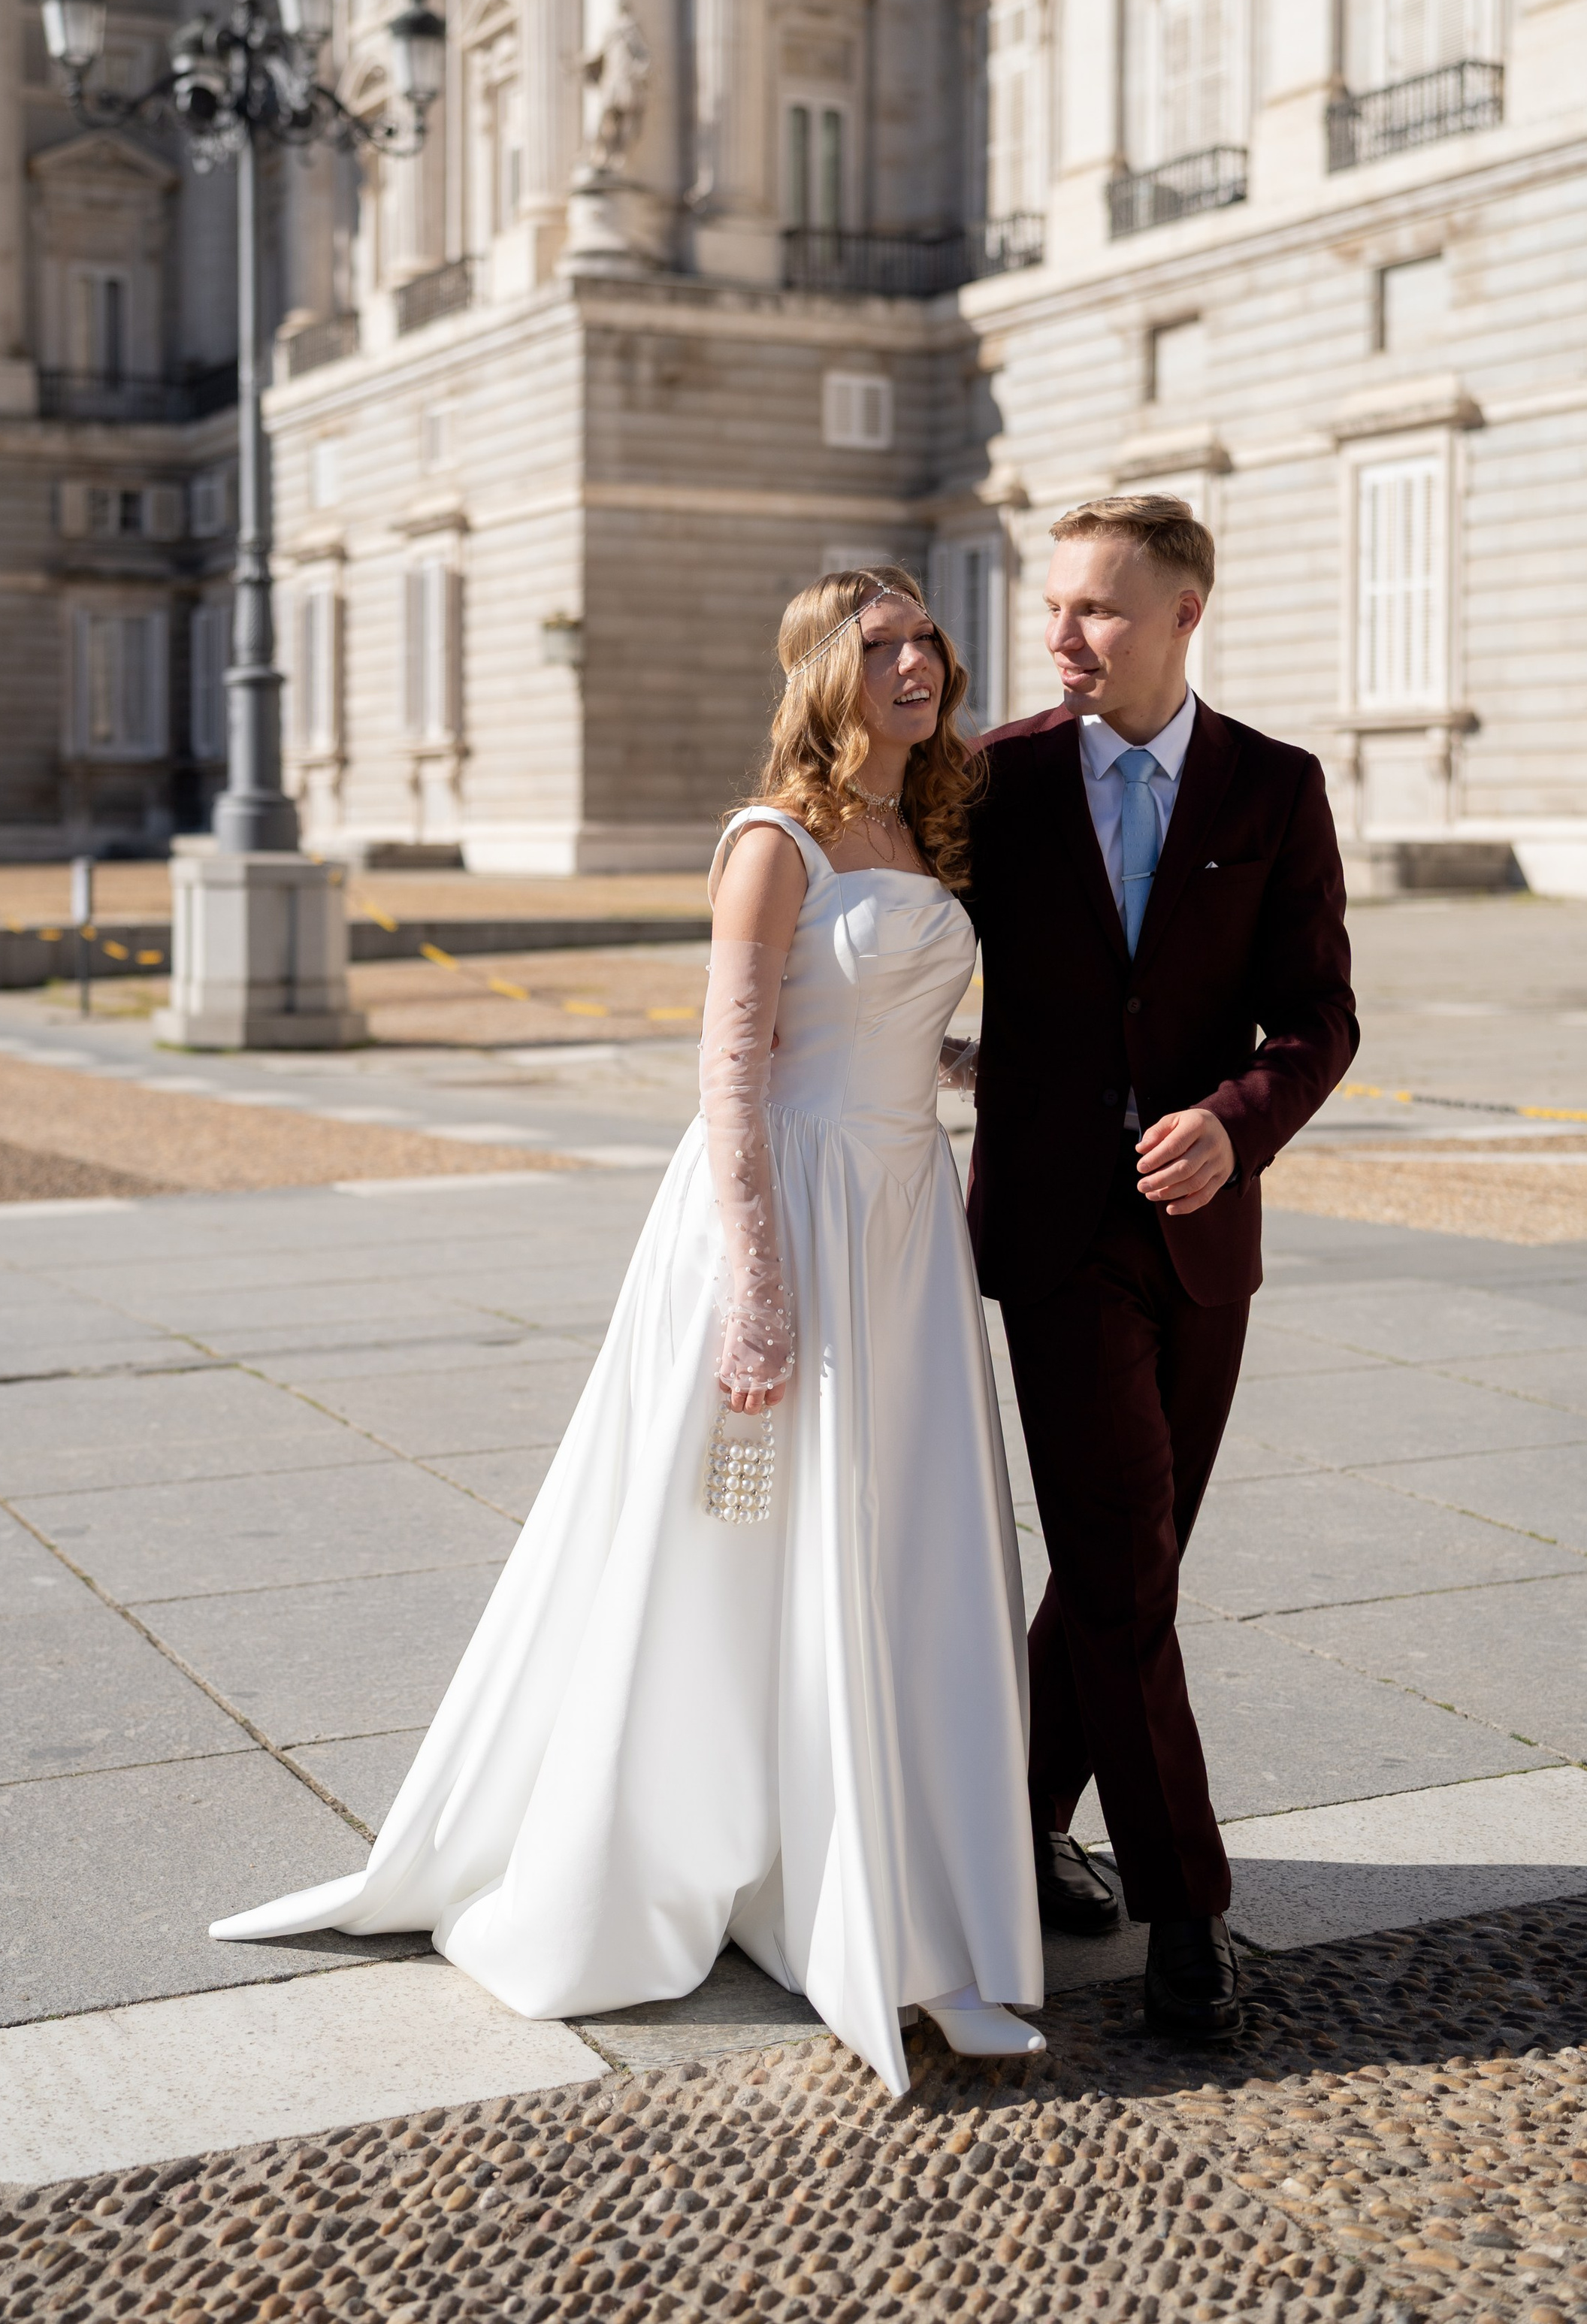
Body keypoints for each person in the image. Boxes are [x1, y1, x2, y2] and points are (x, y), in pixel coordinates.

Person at [210, 567, 1044, 2092]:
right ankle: (701, 1848)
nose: (920, 660)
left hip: (906, 1215)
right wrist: (759, 1286)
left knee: (898, 1533)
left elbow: (896, 1026)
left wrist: (999, 1075)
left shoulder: (928, 825)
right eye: (883, 644)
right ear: (821, 670)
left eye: (928, 636)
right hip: (780, 1208)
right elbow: (730, 1078)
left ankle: (876, 1862)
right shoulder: (768, 842)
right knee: (736, 1539)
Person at [954, 495, 1359, 2041]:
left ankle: (1008, 1817)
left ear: (1185, 612)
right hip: (1052, 1241)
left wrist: (1233, 1125)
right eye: (1053, 605)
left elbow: (1315, 1018)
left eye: (1096, 610)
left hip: (1201, 1244)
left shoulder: (1273, 785)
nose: (1059, 634)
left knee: (1129, 1564)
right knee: (1123, 1558)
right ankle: (1185, 1910)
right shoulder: (994, 782)